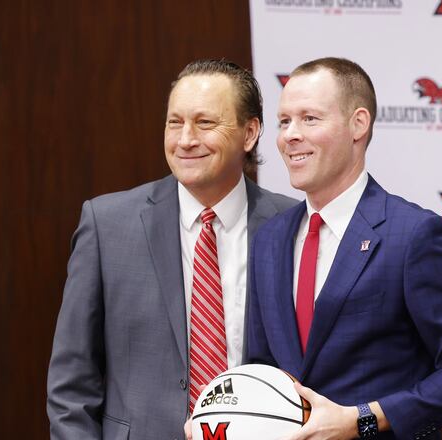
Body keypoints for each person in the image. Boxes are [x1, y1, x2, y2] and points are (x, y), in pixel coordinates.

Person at [245, 57, 442, 440]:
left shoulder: (416, 235)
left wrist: (362, 419)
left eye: (309, 119)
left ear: (358, 125)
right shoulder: (269, 239)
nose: (290, 135)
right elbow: (261, 370)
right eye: (284, 121)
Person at [47, 59, 296, 440]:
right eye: (175, 122)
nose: (185, 139)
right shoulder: (107, 224)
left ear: (250, 133)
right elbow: (71, 385)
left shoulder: (290, 224)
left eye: (205, 123)